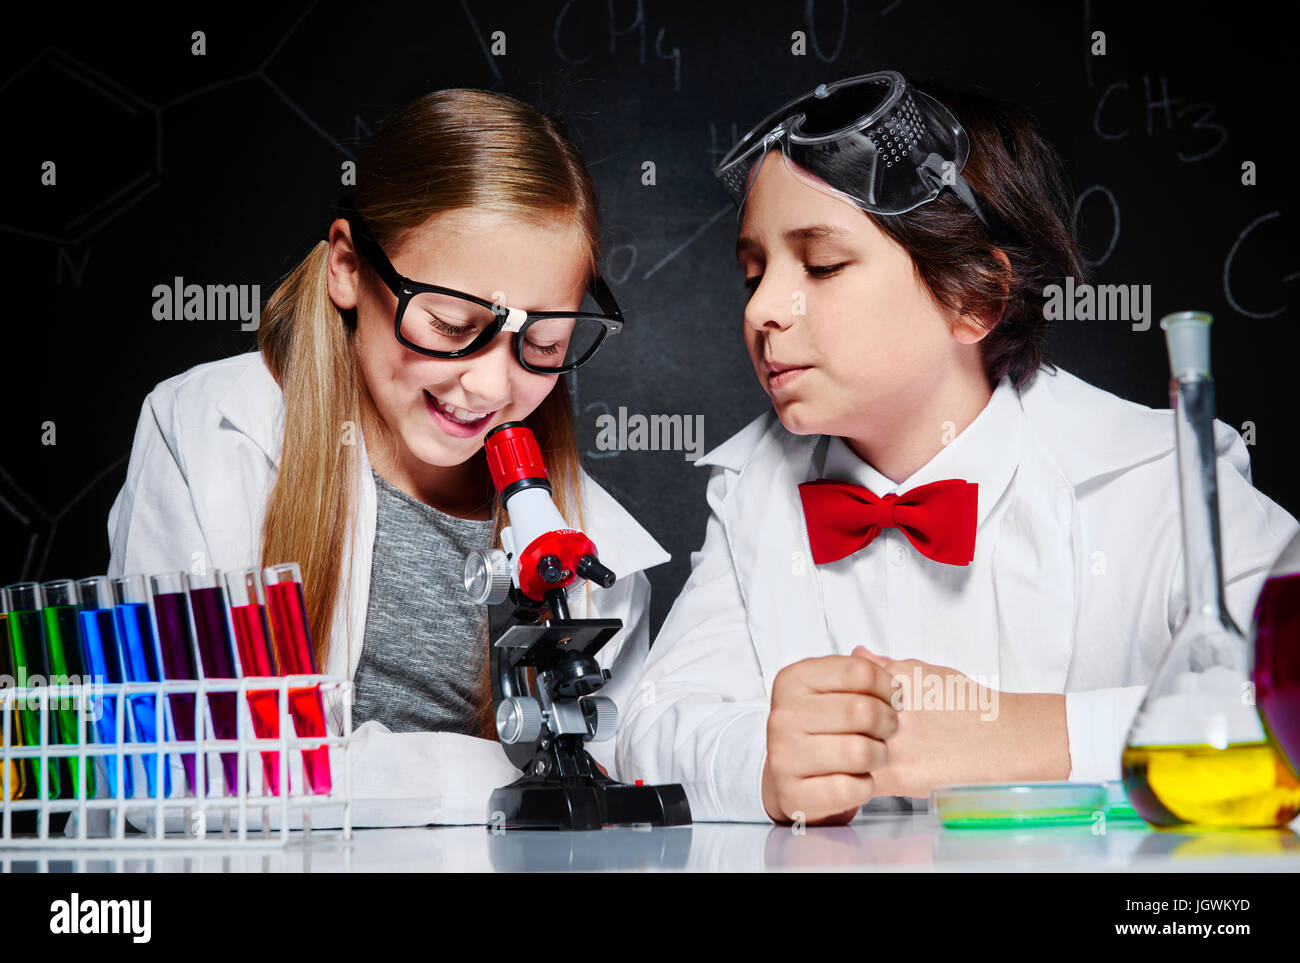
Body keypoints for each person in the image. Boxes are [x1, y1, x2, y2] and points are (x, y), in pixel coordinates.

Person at [616, 71, 1298, 824]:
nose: (765, 309)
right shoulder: (751, 486)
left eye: (821, 265)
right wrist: (764, 761)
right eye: (754, 272)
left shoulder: (1157, 474)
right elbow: (651, 722)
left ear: (974, 298)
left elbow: (1285, 705)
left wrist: (1022, 736)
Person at [107, 88, 669, 825]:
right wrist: (476, 781)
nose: (492, 384)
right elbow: (172, 768)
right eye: (451, 323)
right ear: (348, 266)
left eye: (543, 345)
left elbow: (606, 790)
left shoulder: (601, 560)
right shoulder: (203, 433)